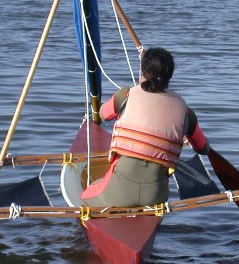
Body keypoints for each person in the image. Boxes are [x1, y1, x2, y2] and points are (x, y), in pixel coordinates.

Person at [81, 47, 210, 207]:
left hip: (118, 193)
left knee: (84, 196)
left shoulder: (125, 95)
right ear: (170, 75)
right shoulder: (186, 113)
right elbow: (203, 148)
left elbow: (102, 114)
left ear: (142, 71)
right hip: (156, 197)